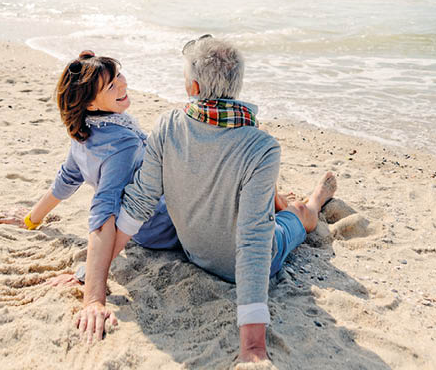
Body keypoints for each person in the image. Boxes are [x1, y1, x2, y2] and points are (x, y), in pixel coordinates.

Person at [78, 36, 337, 362]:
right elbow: (255, 241)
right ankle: (313, 204)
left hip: (194, 253)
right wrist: (252, 347)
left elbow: (136, 207)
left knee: (265, 200)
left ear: (194, 87)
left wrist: (91, 281)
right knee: (298, 215)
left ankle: (290, 201)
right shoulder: (262, 147)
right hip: (252, 263)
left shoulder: (167, 126)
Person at [0, 50, 179, 305]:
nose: (123, 83)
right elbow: (104, 212)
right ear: (91, 103)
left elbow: (66, 179)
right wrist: (90, 289)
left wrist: (31, 219)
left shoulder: (87, 130)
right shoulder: (122, 143)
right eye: (112, 85)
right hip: (163, 227)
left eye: (119, 76)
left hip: (146, 227)